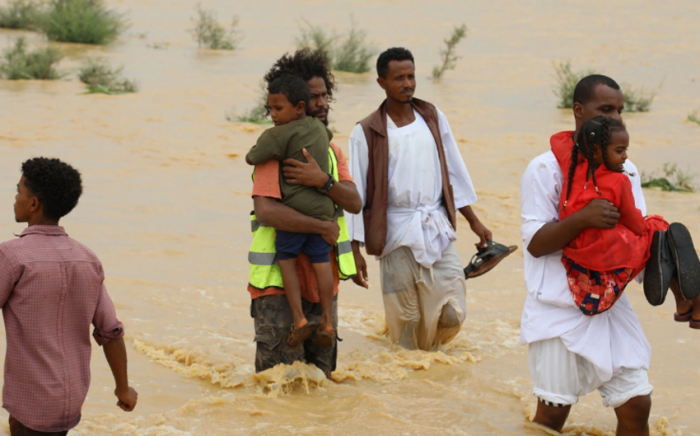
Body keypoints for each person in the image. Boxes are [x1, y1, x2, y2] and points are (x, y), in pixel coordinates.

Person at [520, 75, 666, 435]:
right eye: (606, 109)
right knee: (552, 417)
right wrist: (583, 218)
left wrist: (667, 271)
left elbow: (633, 235)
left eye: (620, 110)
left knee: (637, 404)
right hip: (558, 308)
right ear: (578, 111)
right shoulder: (545, 168)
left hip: (611, 304)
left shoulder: (624, 168)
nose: (616, 117)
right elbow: (537, 244)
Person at [348, 47, 507, 351]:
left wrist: (474, 221)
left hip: (435, 225)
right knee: (405, 323)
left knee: (451, 315)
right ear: (382, 82)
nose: (407, 83)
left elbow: (454, 174)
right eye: (399, 78)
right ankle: (414, 382)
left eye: (411, 76)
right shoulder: (366, 131)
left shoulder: (432, 117)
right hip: (394, 231)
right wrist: (354, 250)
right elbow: (356, 197)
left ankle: (431, 357)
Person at [0, 158, 137, 435]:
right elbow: (110, 331)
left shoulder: (12, 256)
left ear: (34, 204)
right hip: (72, 399)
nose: (15, 198)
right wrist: (123, 389)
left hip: (32, 400)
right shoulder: (87, 259)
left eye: (19, 191)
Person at [247, 48, 362, 379]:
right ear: (297, 102)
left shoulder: (331, 150)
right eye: (314, 97)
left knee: (322, 386)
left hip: (322, 287)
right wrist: (321, 226)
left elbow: (354, 202)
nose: (323, 103)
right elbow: (266, 211)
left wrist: (323, 181)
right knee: (277, 389)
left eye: (326, 95)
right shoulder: (275, 152)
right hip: (277, 289)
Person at [246, 74, 337, 347]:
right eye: (271, 109)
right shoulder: (321, 130)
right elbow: (328, 136)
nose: (272, 115)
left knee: (286, 260)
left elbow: (252, 156)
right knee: (322, 263)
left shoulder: (277, 135)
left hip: (295, 213)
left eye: (277, 109)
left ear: (299, 107)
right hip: (322, 211)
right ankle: (328, 322)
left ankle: (298, 318)